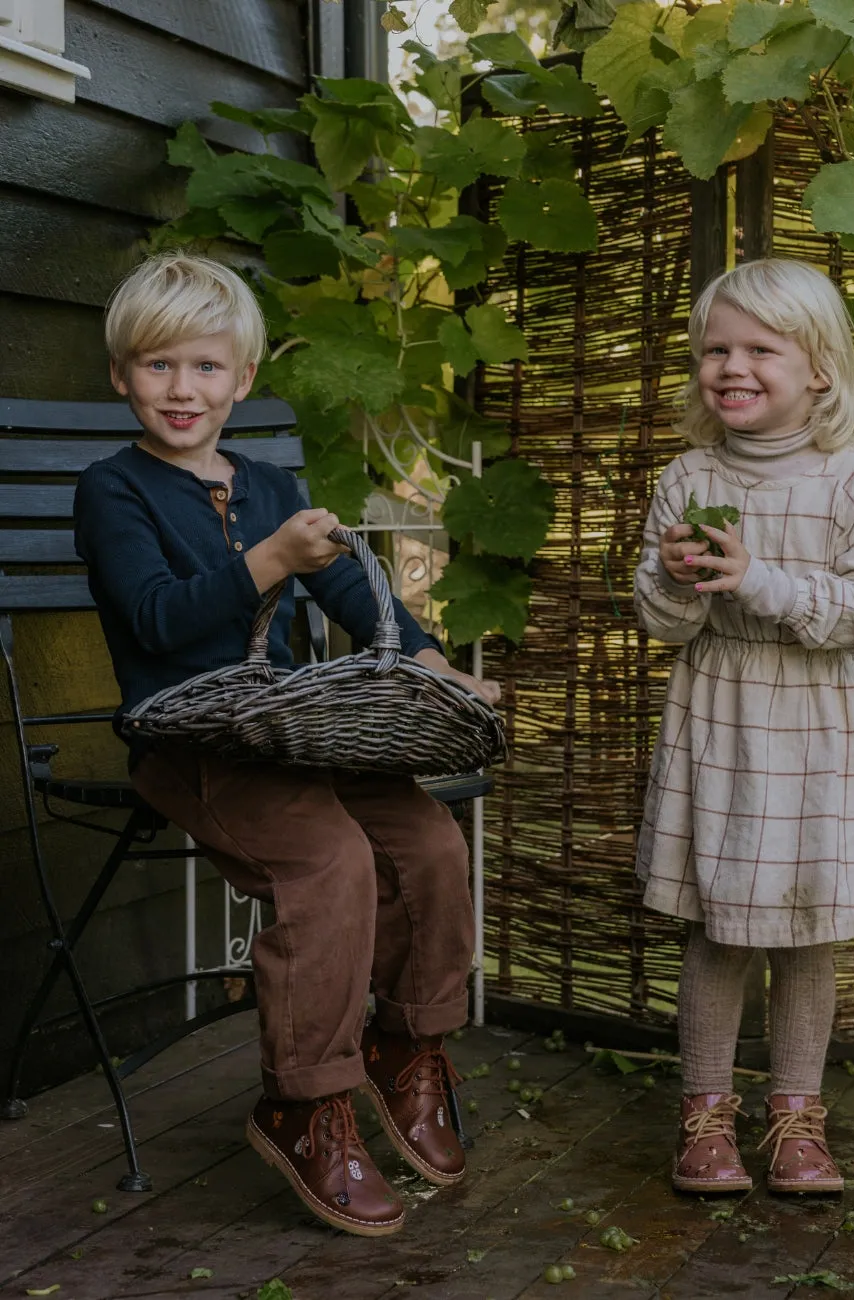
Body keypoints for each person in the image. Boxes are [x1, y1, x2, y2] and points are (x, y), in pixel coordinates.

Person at [74, 252, 501, 1237]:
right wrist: (266, 561)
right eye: (155, 366)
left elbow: (356, 592)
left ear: (245, 377)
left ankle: (405, 1042)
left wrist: (440, 666)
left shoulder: (269, 483)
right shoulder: (114, 492)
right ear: (119, 376)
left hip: (298, 734)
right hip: (192, 745)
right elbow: (154, 621)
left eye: (205, 368)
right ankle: (305, 1098)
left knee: (429, 843)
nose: (182, 390)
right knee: (333, 857)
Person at [634, 258, 854, 1196]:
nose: (731, 366)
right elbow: (659, 618)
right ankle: (705, 1117)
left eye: (760, 348)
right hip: (723, 718)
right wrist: (677, 583)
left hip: (822, 723)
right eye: (714, 350)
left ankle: (798, 1117)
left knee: (810, 929)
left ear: (819, 369)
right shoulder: (689, 476)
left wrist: (759, 580)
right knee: (721, 929)